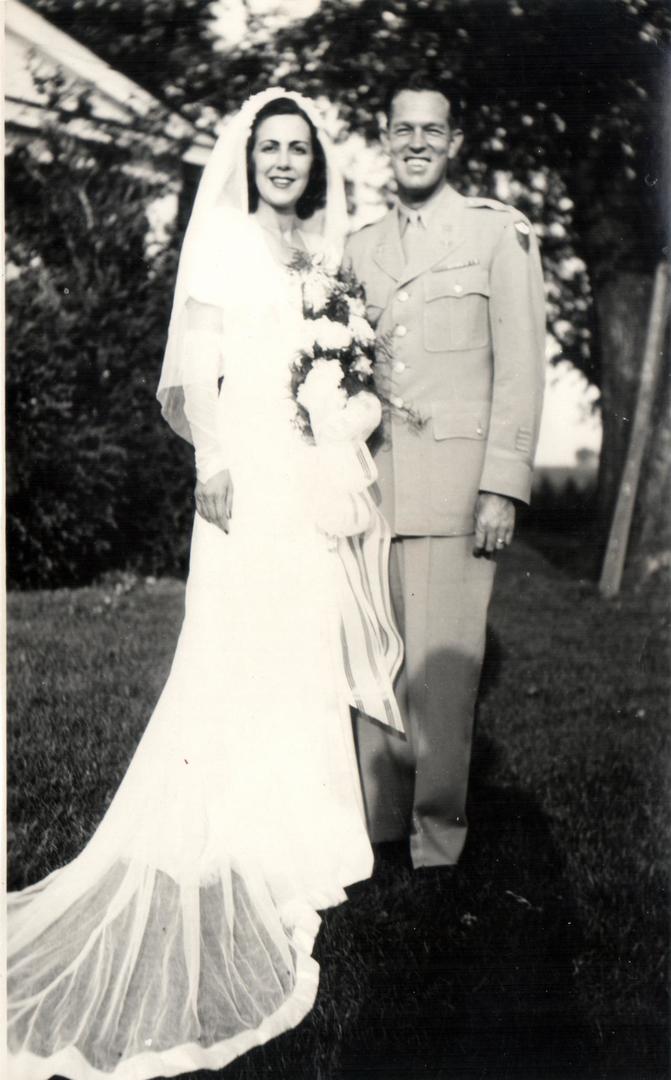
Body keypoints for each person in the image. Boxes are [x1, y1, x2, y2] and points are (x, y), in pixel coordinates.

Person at [7, 89, 403, 1080]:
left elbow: (341, 359)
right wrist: (211, 467)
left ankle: (306, 835)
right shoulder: (225, 239)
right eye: (268, 147)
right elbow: (200, 369)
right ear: (249, 156)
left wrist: (338, 400)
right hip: (245, 473)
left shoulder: (320, 246)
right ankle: (234, 824)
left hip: (306, 470)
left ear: (313, 163)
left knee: (304, 640)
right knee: (238, 642)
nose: (281, 161)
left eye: (295, 149)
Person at [345, 78, 546, 871]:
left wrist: (502, 482)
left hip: (455, 486)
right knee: (374, 662)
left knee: (440, 672)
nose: (418, 142)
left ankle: (435, 841)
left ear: (453, 141)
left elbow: (520, 367)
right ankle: (380, 829)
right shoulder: (361, 248)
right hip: (365, 491)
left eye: (433, 130)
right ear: (385, 140)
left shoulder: (497, 233)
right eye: (403, 130)